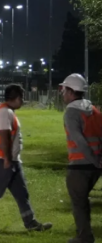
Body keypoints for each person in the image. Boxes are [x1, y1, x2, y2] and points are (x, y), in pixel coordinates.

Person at [0, 84, 52, 232]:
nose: (23, 101)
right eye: (22, 98)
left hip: (11, 160)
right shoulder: (5, 112)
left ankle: (31, 223)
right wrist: (8, 160)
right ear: (16, 98)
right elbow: (5, 137)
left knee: (22, 193)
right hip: (2, 160)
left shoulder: (8, 111)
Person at [61, 73, 102, 243]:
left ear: (71, 91)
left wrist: (93, 160)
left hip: (80, 165)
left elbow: (79, 141)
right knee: (82, 201)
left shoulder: (71, 112)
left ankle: (84, 237)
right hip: (95, 167)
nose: (62, 93)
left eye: (64, 90)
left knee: (79, 203)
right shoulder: (93, 110)